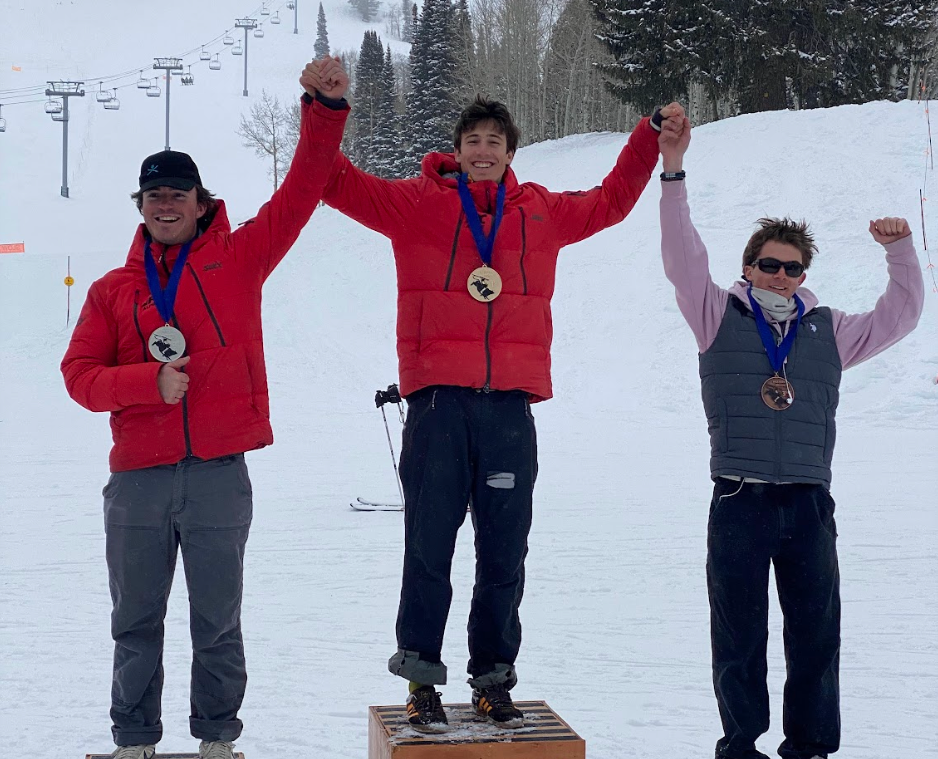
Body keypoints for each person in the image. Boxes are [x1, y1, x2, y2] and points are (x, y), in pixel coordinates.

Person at [303, 60, 687, 732]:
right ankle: (421, 679)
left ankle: (492, 678)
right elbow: (330, 181)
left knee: (505, 549)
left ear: (512, 152)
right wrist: (324, 107)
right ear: (456, 151)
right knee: (428, 545)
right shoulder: (416, 205)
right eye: (472, 139)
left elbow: (611, 200)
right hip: (438, 406)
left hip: (509, 407)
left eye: (494, 141)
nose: (483, 150)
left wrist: (647, 135)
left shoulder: (539, 212)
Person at [60, 58, 350, 759]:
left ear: (200, 201)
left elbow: (304, 189)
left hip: (220, 471)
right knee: (135, 619)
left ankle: (218, 741)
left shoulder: (240, 259)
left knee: (217, 620)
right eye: (153, 194)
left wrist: (323, 106)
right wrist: (144, 385)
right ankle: (135, 742)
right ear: (140, 205)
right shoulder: (110, 292)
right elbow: (79, 375)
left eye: (177, 192)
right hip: (137, 479)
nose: (165, 203)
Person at [657, 118, 924, 759]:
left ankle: (809, 747)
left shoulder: (829, 332)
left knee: (814, 634)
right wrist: (672, 171)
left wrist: (900, 251)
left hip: (807, 503)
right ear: (747, 267)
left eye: (793, 268)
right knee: (739, 634)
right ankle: (740, 746)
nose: (781, 275)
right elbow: (680, 255)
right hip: (740, 499)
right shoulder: (714, 313)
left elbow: (903, 313)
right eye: (769, 265)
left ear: (805, 274)